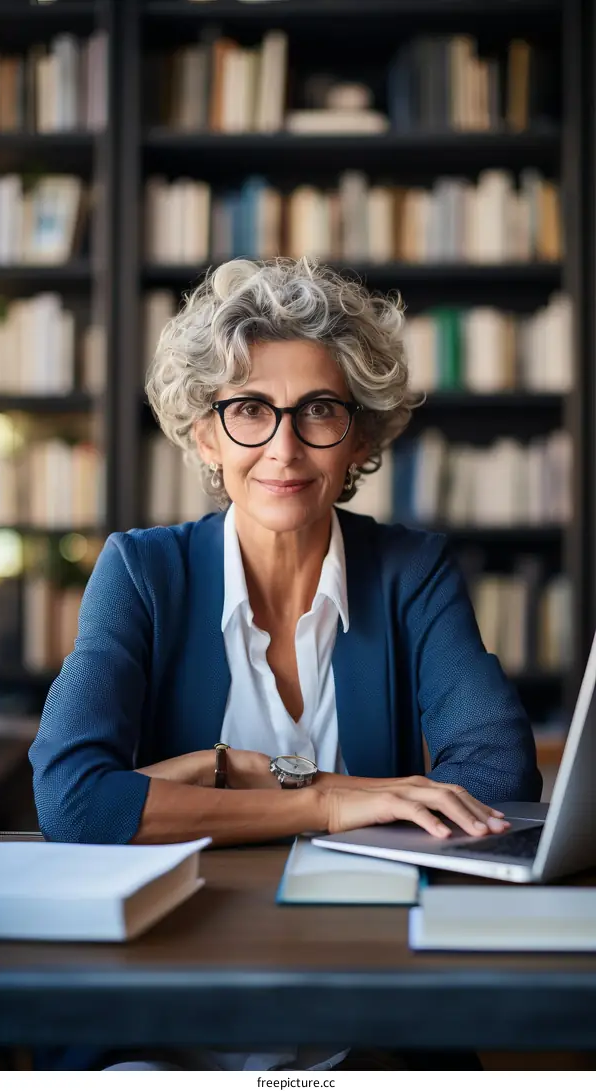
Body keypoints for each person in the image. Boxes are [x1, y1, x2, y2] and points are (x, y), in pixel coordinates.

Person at [29, 257, 542, 1072]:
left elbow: (497, 778)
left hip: (364, 1018)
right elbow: (74, 798)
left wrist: (219, 775)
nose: (284, 446)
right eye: (249, 410)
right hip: (160, 1022)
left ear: (361, 436)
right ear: (205, 430)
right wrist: (329, 802)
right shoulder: (141, 572)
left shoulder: (413, 571)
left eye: (319, 411)